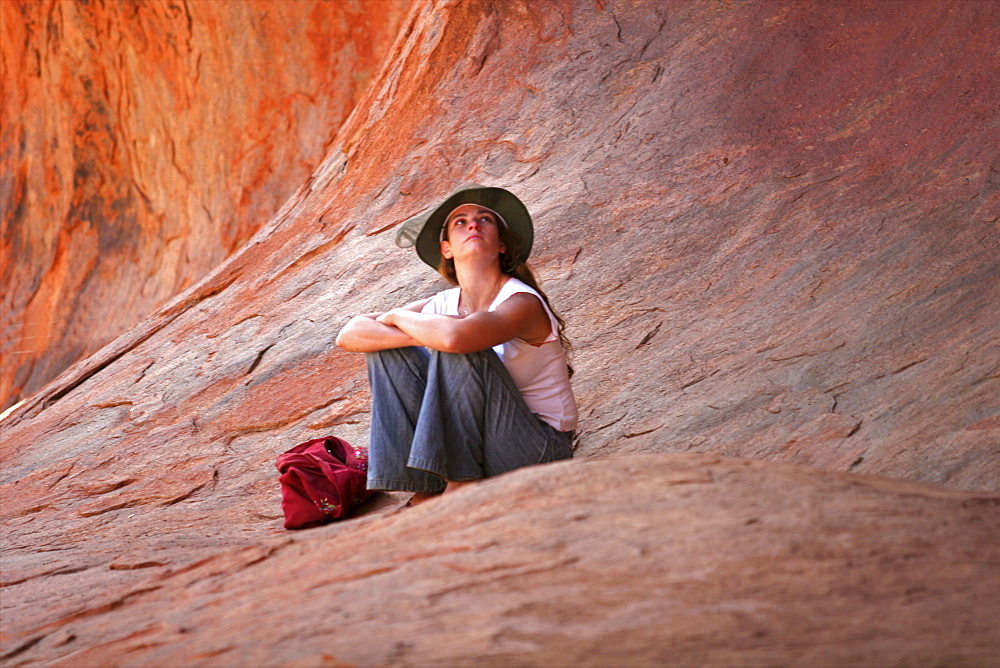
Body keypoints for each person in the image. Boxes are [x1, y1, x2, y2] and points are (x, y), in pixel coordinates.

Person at [336, 184, 578, 505]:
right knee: (390, 352)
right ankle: (426, 485)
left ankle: (461, 482)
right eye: (460, 222)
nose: (474, 225)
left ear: (502, 245)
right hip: (484, 445)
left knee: (460, 345)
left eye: (485, 219)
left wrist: (396, 316)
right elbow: (350, 334)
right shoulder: (444, 303)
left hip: (536, 447)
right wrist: (418, 337)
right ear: (447, 249)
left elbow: (456, 338)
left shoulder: (522, 301)